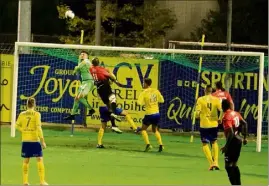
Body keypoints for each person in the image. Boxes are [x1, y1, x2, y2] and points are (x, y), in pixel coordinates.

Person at [15, 97, 48, 186]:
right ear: (34, 105)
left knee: (26, 161)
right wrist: (42, 141)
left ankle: (25, 182)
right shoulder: (37, 114)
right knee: (39, 159)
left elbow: (16, 125)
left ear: (27, 105)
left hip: (25, 140)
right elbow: (38, 128)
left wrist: (24, 130)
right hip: (34, 140)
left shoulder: (22, 114)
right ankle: (42, 181)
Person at [221, 99, 248, 185]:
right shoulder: (236, 113)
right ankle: (238, 184)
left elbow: (231, 133)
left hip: (232, 142)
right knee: (234, 164)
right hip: (239, 141)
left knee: (228, 166)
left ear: (222, 107)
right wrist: (244, 137)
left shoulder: (226, 117)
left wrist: (226, 146)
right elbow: (245, 123)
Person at [195, 85, 222, 170]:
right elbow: (222, 110)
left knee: (205, 144)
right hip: (214, 124)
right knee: (214, 142)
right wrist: (220, 119)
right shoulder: (216, 99)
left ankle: (211, 163)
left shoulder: (200, 99)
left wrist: (196, 116)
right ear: (212, 91)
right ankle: (216, 162)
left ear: (204, 91)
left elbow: (197, 112)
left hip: (204, 124)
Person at [64, 51, 95, 121]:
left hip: (89, 82)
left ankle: (91, 109)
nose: (82, 55)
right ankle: (72, 114)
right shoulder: (81, 62)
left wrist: (76, 68)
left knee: (80, 97)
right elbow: (77, 69)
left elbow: (77, 68)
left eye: (84, 54)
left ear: (87, 56)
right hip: (84, 82)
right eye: (81, 54)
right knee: (76, 98)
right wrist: (78, 62)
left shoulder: (87, 61)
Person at [137, 78, 164, 152]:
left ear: (146, 84)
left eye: (144, 83)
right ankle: (161, 145)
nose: (143, 84)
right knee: (154, 130)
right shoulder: (156, 90)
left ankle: (148, 144)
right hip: (157, 114)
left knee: (143, 129)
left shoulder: (144, 92)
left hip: (149, 114)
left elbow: (139, 103)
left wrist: (145, 102)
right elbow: (162, 100)